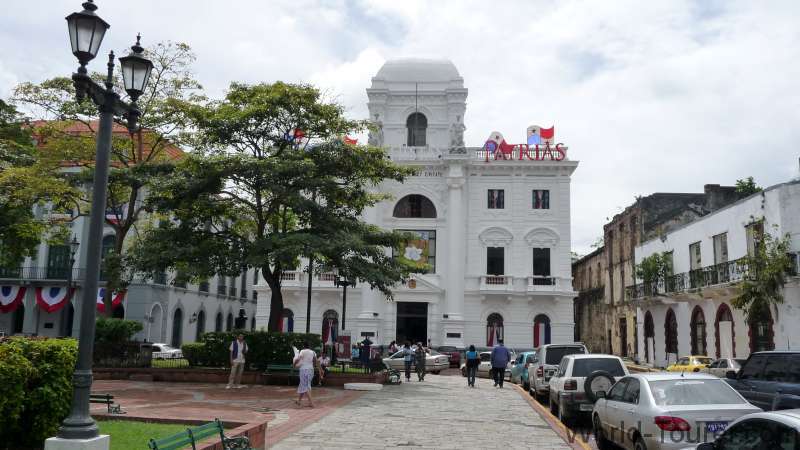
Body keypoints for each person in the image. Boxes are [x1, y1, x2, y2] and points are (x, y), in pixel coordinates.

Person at [293, 341, 322, 407]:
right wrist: (320, 369)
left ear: (304, 346)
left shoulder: (302, 351)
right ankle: (299, 401)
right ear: (309, 346)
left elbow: (298, 359)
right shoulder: (313, 352)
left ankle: (311, 403)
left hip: (303, 370)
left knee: (305, 386)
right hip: (311, 370)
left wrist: (294, 364)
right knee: (305, 385)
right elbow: (316, 361)